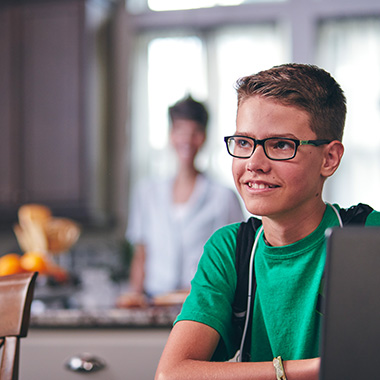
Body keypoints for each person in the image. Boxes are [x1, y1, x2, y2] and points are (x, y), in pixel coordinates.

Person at [155, 64, 380, 379]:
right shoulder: (230, 250)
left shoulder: (370, 236)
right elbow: (172, 374)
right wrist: (316, 369)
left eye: (281, 145)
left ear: (329, 158)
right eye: (244, 143)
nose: (254, 163)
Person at [124, 95, 244, 303]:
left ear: (204, 137)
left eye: (195, 132)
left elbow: (236, 257)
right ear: (171, 135)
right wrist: (135, 297)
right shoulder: (147, 192)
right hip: (154, 301)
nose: (187, 140)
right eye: (180, 130)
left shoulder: (223, 196)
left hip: (204, 303)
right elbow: (141, 253)